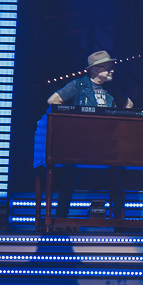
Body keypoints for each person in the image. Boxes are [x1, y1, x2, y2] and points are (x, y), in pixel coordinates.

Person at [46, 51, 132, 227]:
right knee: (69, 180)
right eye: (107, 68)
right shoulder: (78, 85)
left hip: (108, 144)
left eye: (111, 68)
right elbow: (53, 101)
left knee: (115, 182)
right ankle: (60, 219)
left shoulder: (111, 89)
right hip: (82, 144)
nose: (111, 71)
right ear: (95, 69)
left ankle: (118, 222)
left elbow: (129, 104)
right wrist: (74, 122)